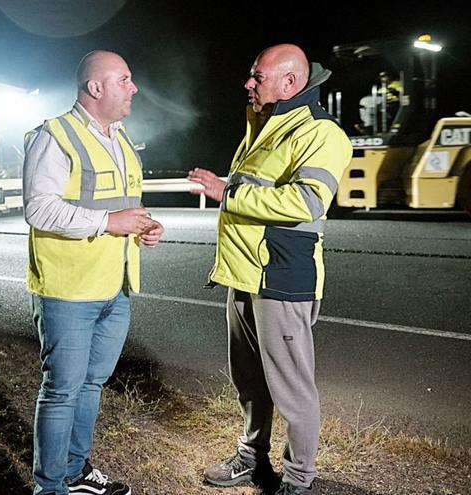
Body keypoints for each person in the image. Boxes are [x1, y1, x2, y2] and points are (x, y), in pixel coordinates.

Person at [188, 44, 352, 495]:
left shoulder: (321, 133)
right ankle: (250, 456)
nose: (248, 84)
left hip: (280, 276)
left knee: (293, 390)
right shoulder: (265, 125)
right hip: (244, 273)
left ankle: (299, 480)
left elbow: (306, 202)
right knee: (249, 379)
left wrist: (228, 194)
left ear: (290, 83)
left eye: (257, 77)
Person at [23, 50, 164, 495]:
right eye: (125, 79)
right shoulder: (54, 135)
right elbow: (38, 208)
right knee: (63, 389)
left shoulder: (121, 139)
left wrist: (143, 226)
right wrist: (109, 223)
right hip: (68, 289)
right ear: (96, 87)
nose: (134, 87)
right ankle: (50, 488)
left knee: (91, 385)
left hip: (115, 286)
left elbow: (120, 205)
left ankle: (74, 473)